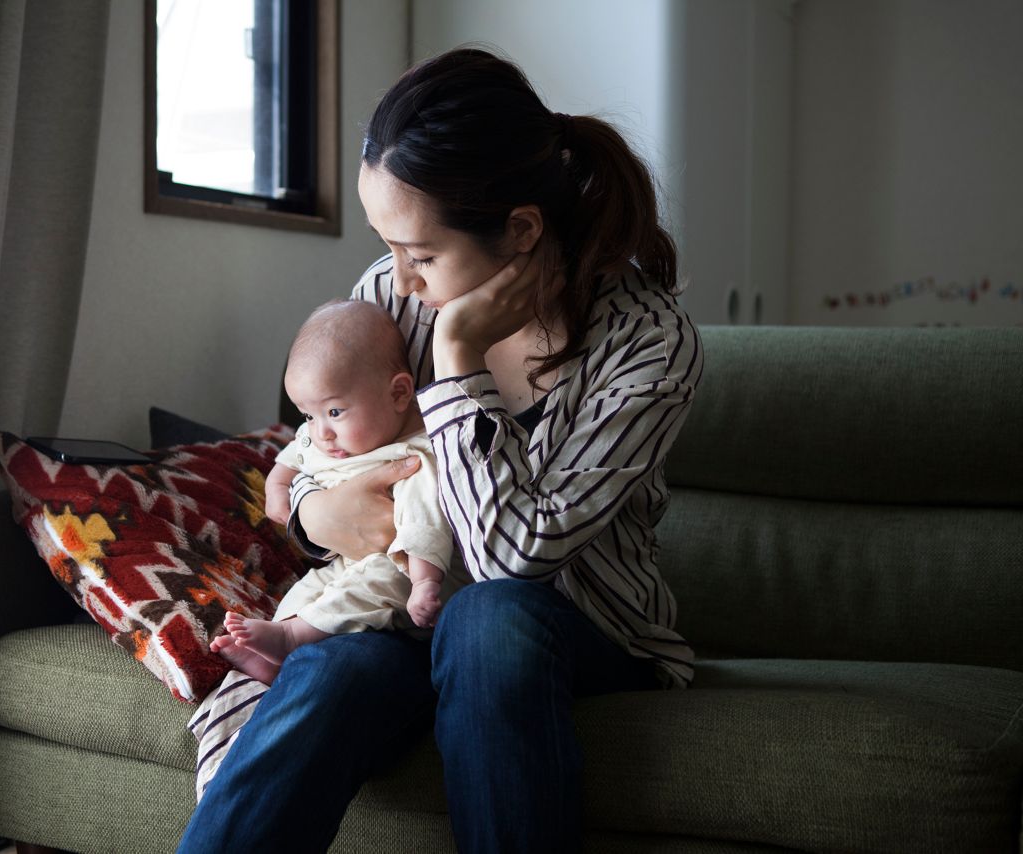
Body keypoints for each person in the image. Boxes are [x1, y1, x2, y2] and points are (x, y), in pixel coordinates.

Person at [178, 46, 703, 853]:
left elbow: (512, 561)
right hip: (406, 614)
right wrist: (322, 513)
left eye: (419, 255)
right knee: (324, 670)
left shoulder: (645, 345)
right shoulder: (391, 295)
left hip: (582, 628)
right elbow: (316, 462)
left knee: (488, 618)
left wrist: (458, 358)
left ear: (522, 230)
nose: (399, 281)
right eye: (388, 247)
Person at [208, 299, 459, 686]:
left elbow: (425, 524)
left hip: (405, 569)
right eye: (308, 414)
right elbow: (297, 451)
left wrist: (425, 582)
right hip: (346, 562)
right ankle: (277, 647)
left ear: (398, 394)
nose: (321, 431)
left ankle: (293, 637)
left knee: (376, 578)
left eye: (335, 412)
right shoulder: (326, 435)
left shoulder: (414, 456)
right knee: (313, 586)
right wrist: (277, 487)